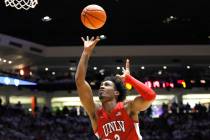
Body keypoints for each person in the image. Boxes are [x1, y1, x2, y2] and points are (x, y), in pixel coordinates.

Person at [75, 36, 156, 140]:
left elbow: (150, 96)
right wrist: (86, 52)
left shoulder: (128, 107)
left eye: (107, 85)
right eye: (101, 85)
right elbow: (79, 81)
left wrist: (129, 79)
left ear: (116, 93)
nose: (102, 87)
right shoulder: (95, 111)